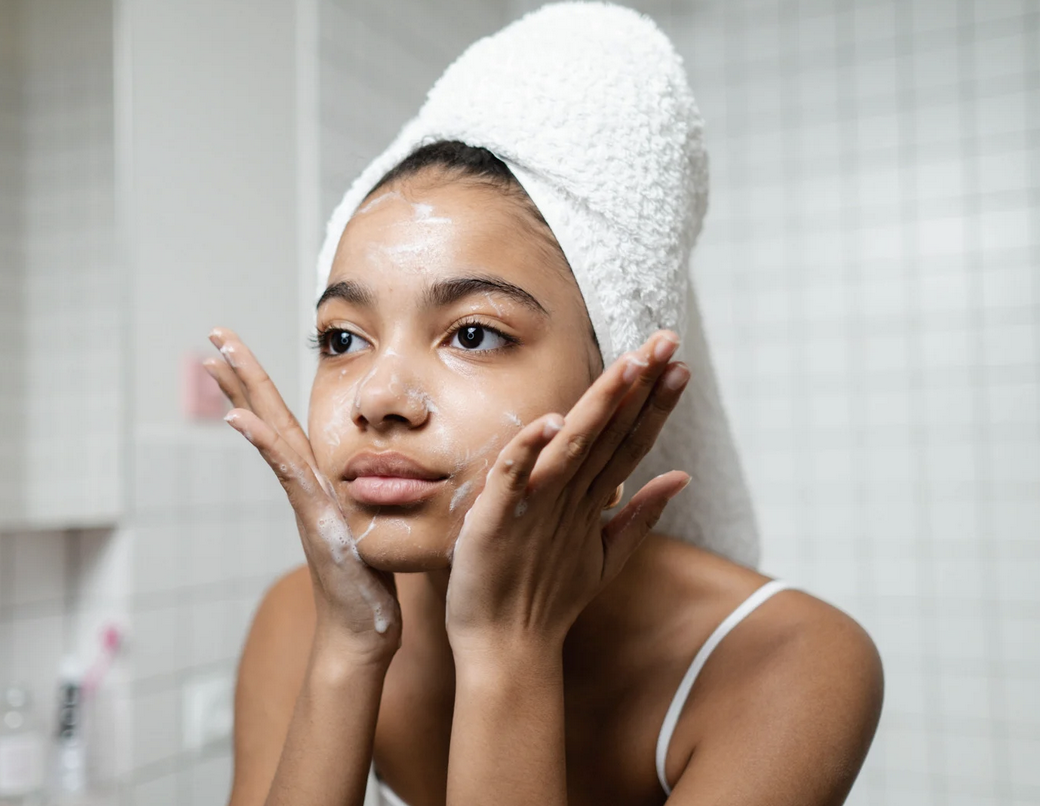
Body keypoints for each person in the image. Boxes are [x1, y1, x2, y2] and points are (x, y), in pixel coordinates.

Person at [207, 6, 882, 806]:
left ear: (620, 384)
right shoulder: (307, 619)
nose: (378, 398)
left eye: (473, 333)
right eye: (343, 340)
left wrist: (507, 651)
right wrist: (350, 650)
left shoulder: (787, 662)